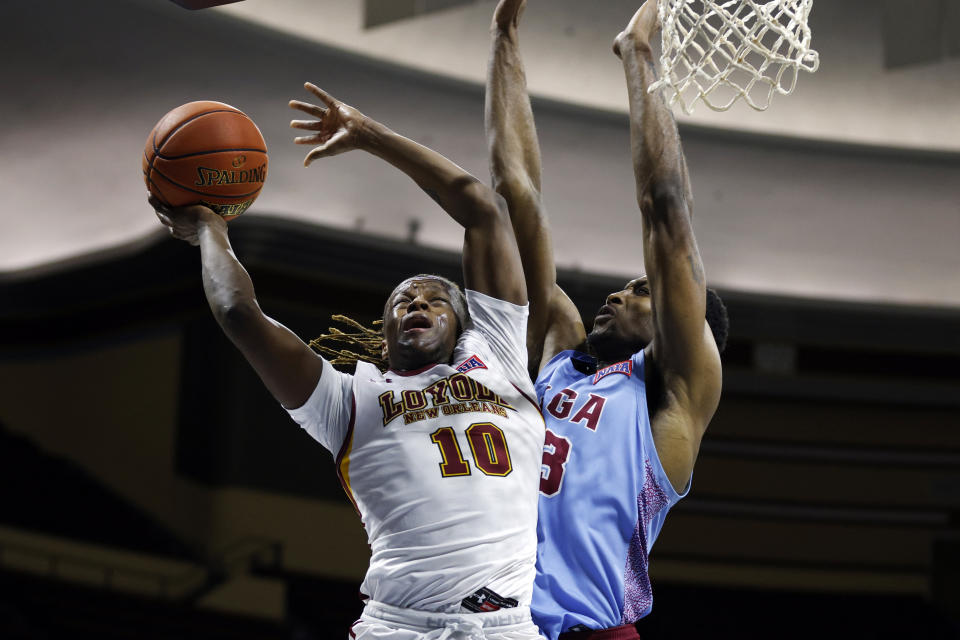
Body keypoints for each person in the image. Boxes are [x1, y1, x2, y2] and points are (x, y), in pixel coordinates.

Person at [151, 82, 547, 640]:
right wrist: (210, 230)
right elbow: (239, 313)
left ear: (465, 324)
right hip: (400, 627)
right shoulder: (349, 399)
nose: (418, 303)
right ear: (383, 337)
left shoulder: (499, 353)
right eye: (402, 300)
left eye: (436, 298)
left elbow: (483, 210)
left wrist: (368, 134)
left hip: (508, 626)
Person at [485, 2, 727, 639]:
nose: (617, 297)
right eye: (623, 288)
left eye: (641, 291)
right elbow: (517, 192)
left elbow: (666, 210)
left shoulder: (671, 399)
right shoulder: (559, 350)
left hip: (594, 630)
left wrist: (639, 53)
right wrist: (503, 40)